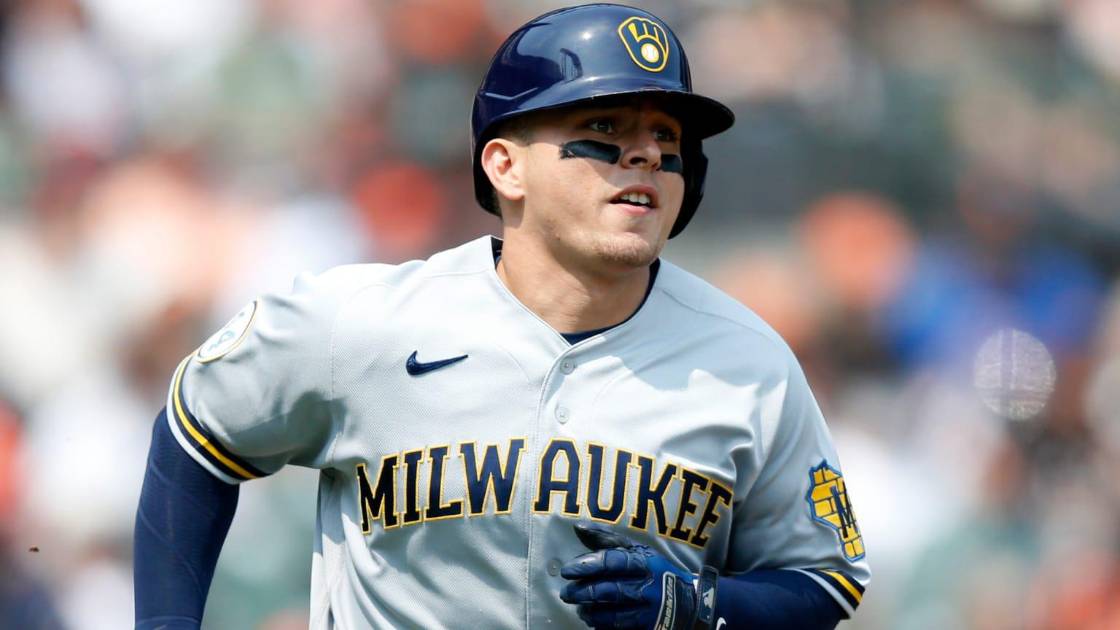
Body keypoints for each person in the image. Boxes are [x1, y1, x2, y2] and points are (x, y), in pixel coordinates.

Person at [133, 4, 869, 629]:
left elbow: (824, 577)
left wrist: (700, 604)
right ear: (505, 166)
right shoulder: (363, 324)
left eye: (667, 138)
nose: (646, 154)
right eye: (606, 126)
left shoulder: (748, 361)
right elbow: (198, 431)